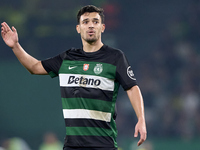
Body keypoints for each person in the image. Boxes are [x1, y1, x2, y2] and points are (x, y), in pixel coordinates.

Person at [1, 5, 147, 150]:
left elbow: (132, 87)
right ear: (78, 28)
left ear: (102, 27)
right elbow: (34, 67)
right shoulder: (67, 58)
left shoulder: (115, 57)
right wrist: (15, 46)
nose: (91, 26)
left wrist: (141, 119)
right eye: (86, 22)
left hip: (103, 145)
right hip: (72, 146)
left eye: (95, 22)